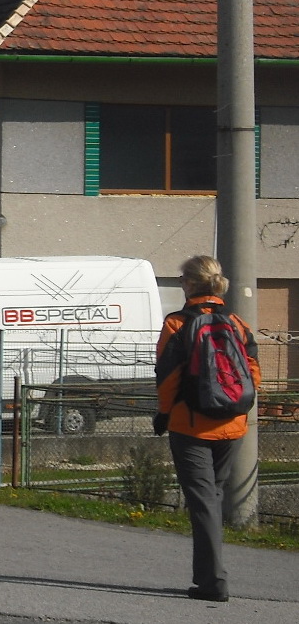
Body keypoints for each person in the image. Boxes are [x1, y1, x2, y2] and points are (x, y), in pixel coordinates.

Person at [154, 255, 261, 604]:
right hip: (232, 424)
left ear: (190, 283)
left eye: (183, 279)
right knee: (212, 497)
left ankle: (213, 582)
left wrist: (164, 413)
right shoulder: (237, 322)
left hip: (192, 425)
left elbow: (168, 377)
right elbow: (253, 373)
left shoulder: (177, 323)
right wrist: (237, 407)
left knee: (203, 503)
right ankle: (209, 578)